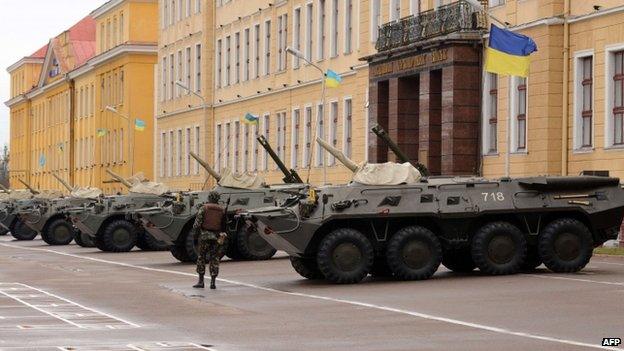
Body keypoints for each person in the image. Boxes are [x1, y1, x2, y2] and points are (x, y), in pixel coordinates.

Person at [192, 191, 227, 289]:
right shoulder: (222, 210)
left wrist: (195, 236)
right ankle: (213, 283)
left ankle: (201, 281)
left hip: (204, 236)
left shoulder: (204, 208)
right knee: (215, 258)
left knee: (201, 258)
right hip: (216, 237)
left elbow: (197, 224)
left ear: (209, 198)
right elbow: (224, 225)